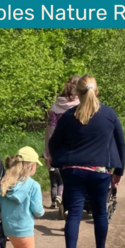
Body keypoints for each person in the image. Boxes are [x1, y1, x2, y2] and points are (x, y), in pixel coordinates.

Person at [49, 75, 125, 248]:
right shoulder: (109, 114)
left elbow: (54, 143)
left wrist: (59, 161)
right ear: (96, 91)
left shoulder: (68, 116)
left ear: (77, 93)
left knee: (74, 213)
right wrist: (119, 170)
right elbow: (120, 143)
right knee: (100, 212)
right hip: (100, 172)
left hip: (73, 171)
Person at [43, 75, 80, 210]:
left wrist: (48, 152)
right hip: (78, 148)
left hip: (59, 148)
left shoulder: (56, 105)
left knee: (62, 177)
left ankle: (63, 202)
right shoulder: (81, 104)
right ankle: (70, 205)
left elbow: (50, 130)